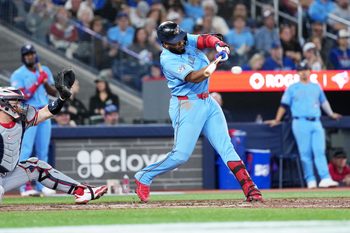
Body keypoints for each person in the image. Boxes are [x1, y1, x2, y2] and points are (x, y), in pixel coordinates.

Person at [134, 21, 262, 203]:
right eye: (175, 42)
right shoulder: (168, 59)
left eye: (180, 39)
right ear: (164, 44)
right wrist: (211, 67)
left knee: (226, 147)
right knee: (180, 156)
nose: (180, 43)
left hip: (207, 101)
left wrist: (220, 45)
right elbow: (194, 77)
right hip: (186, 105)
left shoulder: (185, 40)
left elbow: (206, 39)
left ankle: (250, 188)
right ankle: (144, 176)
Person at [0, 69, 107, 204]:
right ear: (3, 105)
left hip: (7, 175)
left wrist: (62, 98)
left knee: (36, 166)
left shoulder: (21, 119)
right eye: (15, 102)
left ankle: (82, 191)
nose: (20, 106)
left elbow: (45, 113)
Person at [266, 62, 341, 189]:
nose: (303, 72)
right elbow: (284, 105)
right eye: (301, 70)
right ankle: (310, 179)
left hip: (316, 121)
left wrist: (331, 113)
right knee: (305, 153)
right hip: (300, 122)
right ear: (297, 72)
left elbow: (324, 102)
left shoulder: (316, 87)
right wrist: (277, 119)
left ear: (310, 71)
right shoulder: (292, 88)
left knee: (319, 151)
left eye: (306, 69)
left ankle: (325, 178)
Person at [11, 44, 57, 196]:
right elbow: (22, 96)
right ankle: (25, 187)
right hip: (28, 114)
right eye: (27, 54)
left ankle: (41, 185)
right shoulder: (18, 74)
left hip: (44, 112)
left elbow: (53, 91)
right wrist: (38, 80)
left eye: (32, 54)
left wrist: (44, 81)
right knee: (26, 151)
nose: (30, 56)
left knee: (43, 152)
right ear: (23, 57)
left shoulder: (44, 70)